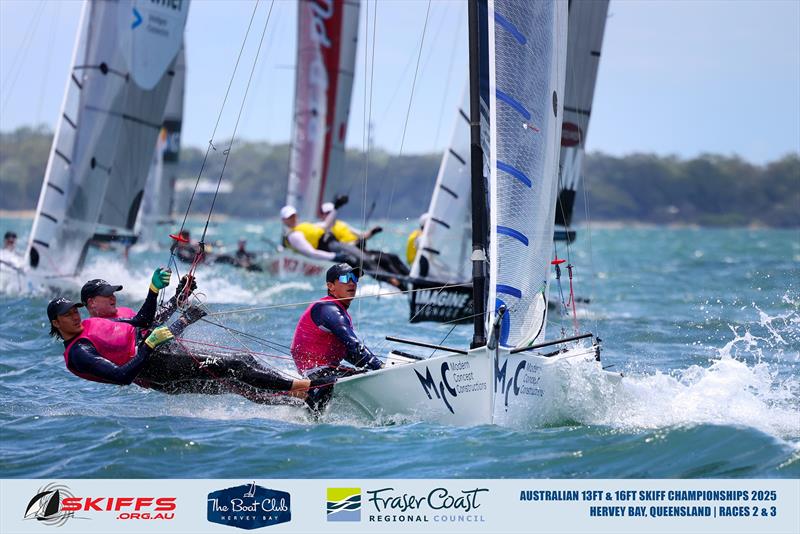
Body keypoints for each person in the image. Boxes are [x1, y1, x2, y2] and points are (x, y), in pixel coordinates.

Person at [49, 271, 331, 407]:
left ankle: (299, 402)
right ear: (91, 303)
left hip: (163, 360)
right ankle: (309, 388)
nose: (113, 296)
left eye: (114, 291)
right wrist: (175, 325)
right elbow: (126, 370)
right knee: (236, 364)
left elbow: (150, 324)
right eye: (106, 294)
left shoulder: (109, 318)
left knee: (237, 384)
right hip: (156, 371)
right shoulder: (80, 349)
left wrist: (178, 298)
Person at [291, 264, 383, 387]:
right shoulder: (328, 309)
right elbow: (354, 345)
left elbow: (351, 353)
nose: (351, 283)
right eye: (345, 278)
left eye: (354, 278)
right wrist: (380, 366)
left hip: (324, 373)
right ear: (330, 286)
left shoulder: (337, 309)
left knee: (367, 373)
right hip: (317, 376)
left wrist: (379, 368)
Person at [280, 204, 347, 262]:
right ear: (283, 220)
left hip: (334, 243)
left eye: (293, 215)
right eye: (289, 217)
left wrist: (336, 208)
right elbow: (312, 253)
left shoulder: (305, 225)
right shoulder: (294, 235)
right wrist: (334, 256)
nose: (292, 218)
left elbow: (326, 224)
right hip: (329, 250)